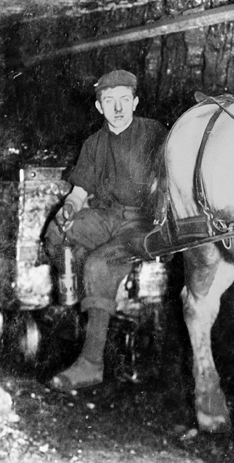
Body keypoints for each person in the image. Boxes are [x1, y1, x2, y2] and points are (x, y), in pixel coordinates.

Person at [46, 69, 167, 391]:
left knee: (101, 264)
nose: (118, 108)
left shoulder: (154, 134)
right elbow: (79, 193)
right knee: (56, 235)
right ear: (99, 107)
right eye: (109, 101)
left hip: (143, 222)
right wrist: (68, 210)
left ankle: (91, 362)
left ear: (136, 102)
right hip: (105, 215)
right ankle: (92, 300)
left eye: (124, 100)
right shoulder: (93, 144)